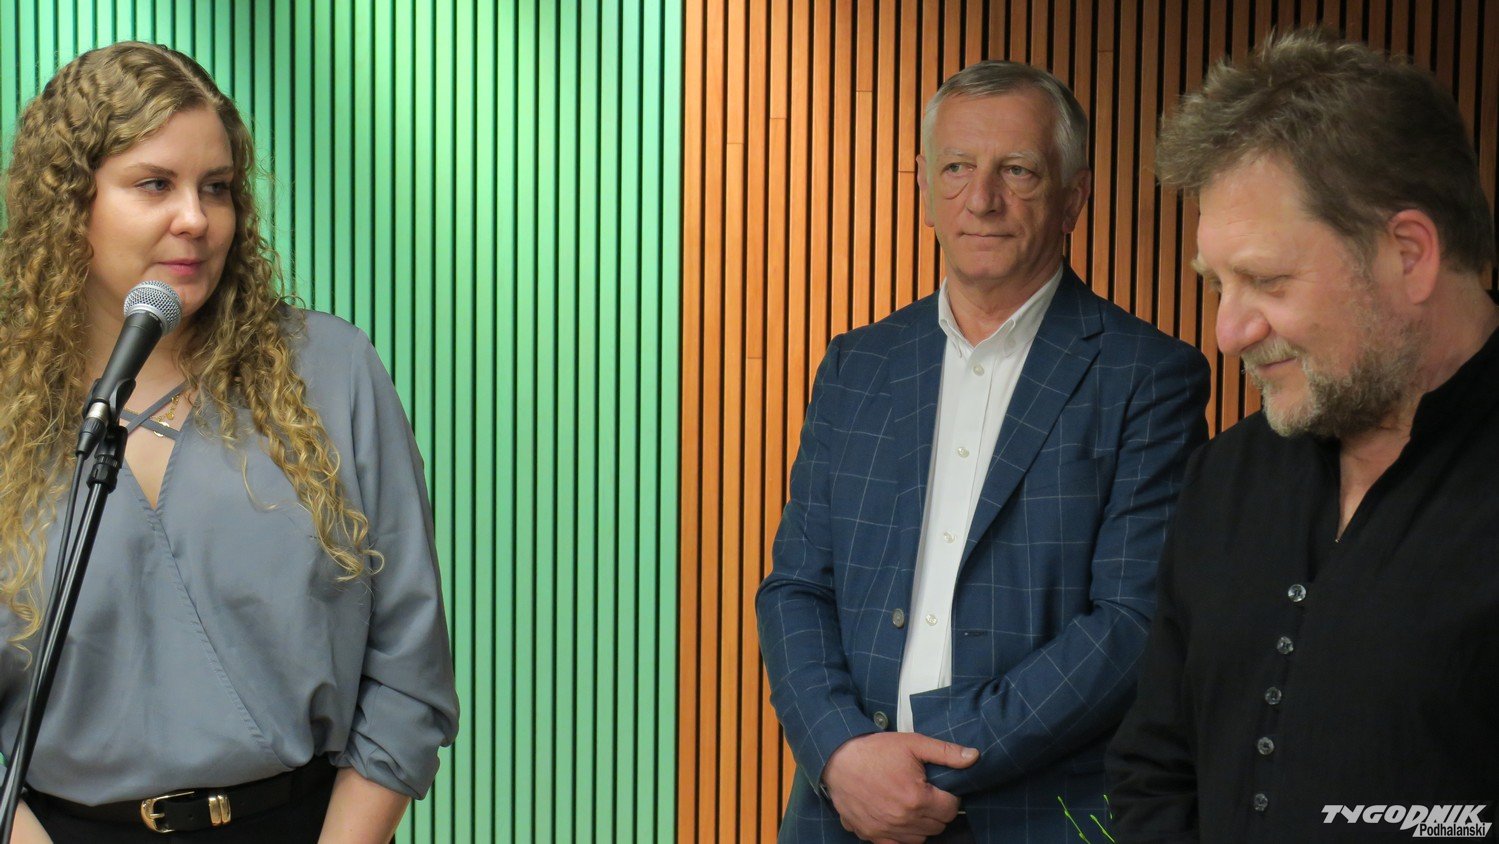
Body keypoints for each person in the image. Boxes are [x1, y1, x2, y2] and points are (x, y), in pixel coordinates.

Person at [0, 42, 458, 842]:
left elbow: (407, 667)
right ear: (69, 203)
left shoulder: (330, 371)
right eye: (155, 184)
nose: (196, 219)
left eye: (216, 188)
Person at [757, 60, 1210, 843]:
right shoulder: (856, 364)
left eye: (1018, 171)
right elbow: (794, 587)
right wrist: (841, 751)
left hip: (1034, 816)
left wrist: (930, 758)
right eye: (957, 168)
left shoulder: (1147, 376)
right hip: (842, 811)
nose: (982, 199)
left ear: (1073, 198)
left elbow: (1132, 623)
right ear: (924, 189)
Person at [1106, 29, 1499, 842]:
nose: (1227, 331)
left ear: (1408, 254)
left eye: (1266, 280)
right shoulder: (1223, 477)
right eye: (1216, 285)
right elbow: (1154, 767)